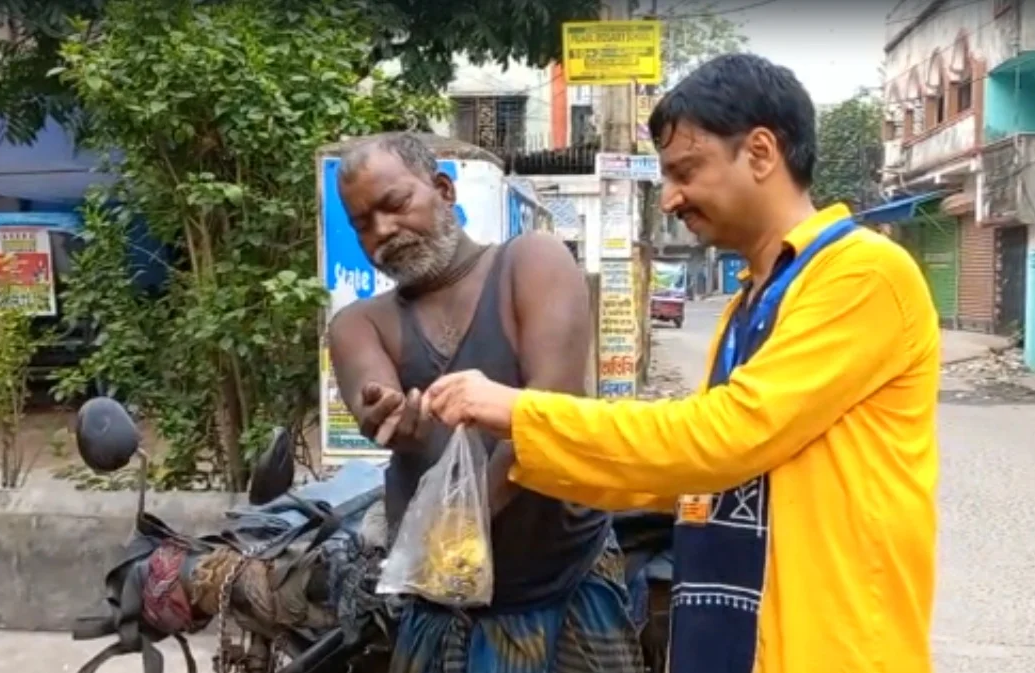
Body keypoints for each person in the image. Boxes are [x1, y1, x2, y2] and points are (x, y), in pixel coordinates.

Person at [424, 54, 939, 673]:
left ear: (760, 152)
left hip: (828, 644)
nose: (669, 199)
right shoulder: (752, 300)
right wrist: (529, 456)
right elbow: (692, 475)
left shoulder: (862, 275)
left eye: (685, 171)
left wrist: (521, 412)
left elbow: (723, 438)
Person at [327, 133, 643, 673]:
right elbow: (375, 400)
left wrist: (458, 526)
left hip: (564, 591)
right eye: (362, 224)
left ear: (444, 190)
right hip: (441, 609)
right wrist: (385, 413)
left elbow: (547, 411)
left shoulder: (533, 263)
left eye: (395, 205)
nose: (382, 232)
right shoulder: (359, 323)